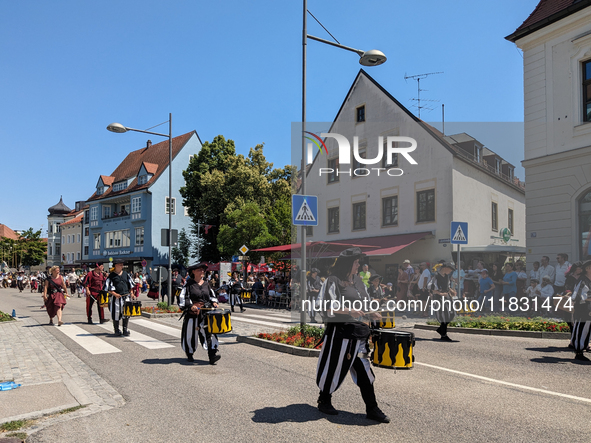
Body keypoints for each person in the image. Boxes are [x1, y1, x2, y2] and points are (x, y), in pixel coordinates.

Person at [314, 248, 389, 423]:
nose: (360, 265)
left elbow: (365, 302)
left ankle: (372, 408)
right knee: (333, 367)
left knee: (364, 372)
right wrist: (348, 311)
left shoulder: (358, 281)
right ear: (348, 263)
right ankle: (324, 400)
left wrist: (372, 313)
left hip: (359, 333)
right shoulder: (333, 281)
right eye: (356, 262)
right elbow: (324, 306)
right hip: (340, 333)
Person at [178, 262, 221, 364]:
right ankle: (189, 353)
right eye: (199, 270)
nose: (202, 272)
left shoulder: (206, 284)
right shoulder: (189, 285)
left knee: (209, 333)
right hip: (193, 314)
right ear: (193, 272)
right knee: (191, 334)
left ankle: (212, 355)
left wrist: (214, 302)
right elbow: (183, 297)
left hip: (206, 313)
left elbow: (211, 295)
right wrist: (190, 306)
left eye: (203, 270)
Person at [104, 259, 134, 336]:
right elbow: (108, 288)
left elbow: (130, 285)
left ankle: (125, 330)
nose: (122, 266)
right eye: (120, 264)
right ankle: (116, 330)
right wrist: (115, 294)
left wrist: (132, 293)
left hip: (126, 297)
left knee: (126, 313)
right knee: (116, 313)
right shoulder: (111, 276)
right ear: (116, 265)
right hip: (116, 298)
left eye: (122, 264)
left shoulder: (125, 274)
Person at [429, 262, 457, 341]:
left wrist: (451, 291)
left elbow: (447, 286)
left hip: (447, 297)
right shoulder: (436, 276)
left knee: (451, 314)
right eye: (450, 270)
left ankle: (441, 330)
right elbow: (431, 287)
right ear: (446, 268)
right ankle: (444, 335)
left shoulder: (447, 276)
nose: (450, 272)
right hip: (439, 298)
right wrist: (440, 293)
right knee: (444, 315)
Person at [570, 260, 591, 362]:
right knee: (581, 329)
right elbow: (577, 296)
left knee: (587, 329)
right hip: (582, 308)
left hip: (588, 308)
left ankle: (583, 347)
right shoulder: (583, 280)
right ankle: (578, 351)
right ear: (587, 269)